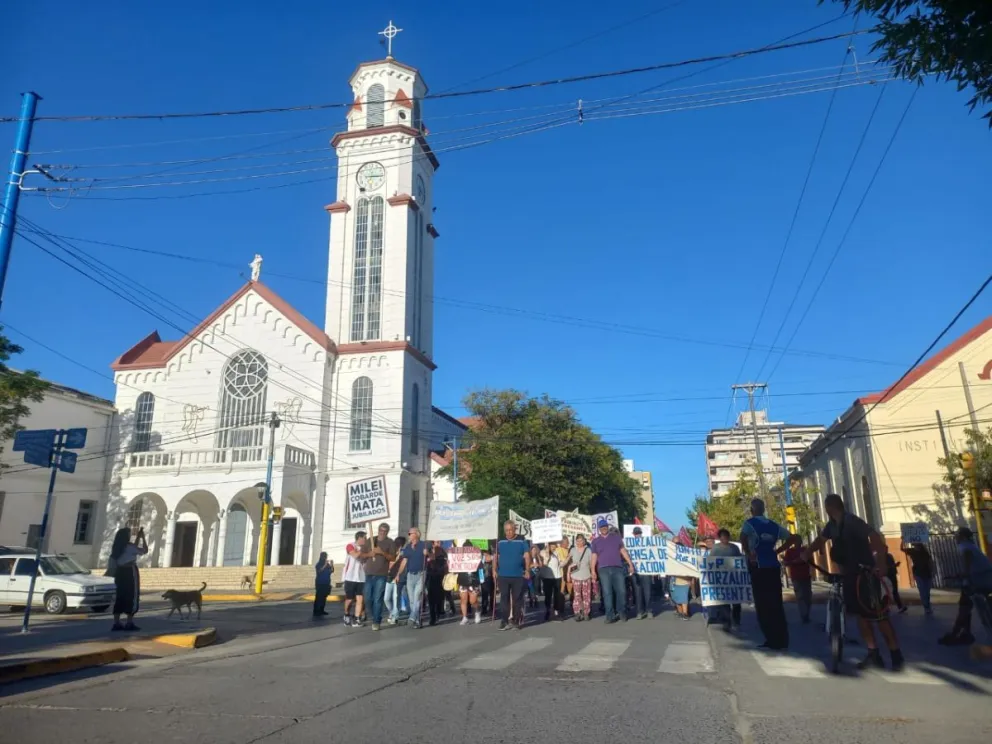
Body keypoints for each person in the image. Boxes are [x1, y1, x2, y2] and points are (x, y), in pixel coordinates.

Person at [803, 493, 904, 671]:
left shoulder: (852, 521)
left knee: (879, 616)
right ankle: (873, 653)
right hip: (849, 575)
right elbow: (821, 540)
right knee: (860, 616)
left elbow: (874, 537)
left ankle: (896, 655)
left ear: (830, 507)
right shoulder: (832, 525)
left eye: (826, 508)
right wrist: (807, 552)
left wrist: (881, 564)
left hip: (866, 575)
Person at [740, 499, 798, 650]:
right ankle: (782, 639)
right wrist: (777, 551)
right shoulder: (773, 526)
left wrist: (748, 553)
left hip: (758, 567)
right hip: (773, 567)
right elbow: (793, 538)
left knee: (763, 605)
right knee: (776, 604)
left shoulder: (750, 524)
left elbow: (742, 538)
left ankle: (771, 639)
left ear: (752, 510)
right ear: (764, 509)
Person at [938, 526, 992, 646]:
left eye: (956, 535)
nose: (955, 537)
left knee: (965, 607)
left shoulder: (965, 546)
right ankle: (965, 634)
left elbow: (967, 563)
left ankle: (955, 635)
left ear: (962, 536)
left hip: (979, 582)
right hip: (983, 580)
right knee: (966, 606)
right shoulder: (971, 545)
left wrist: (963, 576)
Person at [590, 517, 636, 624]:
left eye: (605, 526)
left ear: (607, 527)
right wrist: (593, 570)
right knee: (607, 593)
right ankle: (609, 616)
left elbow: (623, 551)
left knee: (622, 591)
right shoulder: (595, 541)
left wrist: (630, 563)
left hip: (617, 568)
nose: (604, 528)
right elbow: (594, 557)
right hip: (603, 570)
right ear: (599, 529)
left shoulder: (616, 538)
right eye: (601, 527)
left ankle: (622, 612)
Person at [109, 527, 148, 632]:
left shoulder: (117, 548)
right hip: (130, 572)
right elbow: (144, 550)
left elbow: (132, 548)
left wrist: (138, 537)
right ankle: (129, 622)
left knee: (120, 596)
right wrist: (143, 538)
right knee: (132, 595)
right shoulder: (129, 547)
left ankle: (116, 623)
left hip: (119, 573)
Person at [495, 520, 531, 630]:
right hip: (503, 575)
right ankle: (504, 620)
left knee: (517, 599)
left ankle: (515, 620)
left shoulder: (521, 540)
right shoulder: (500, 541)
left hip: (518, 575)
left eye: (510, 530)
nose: (509, 532)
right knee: (504, 599)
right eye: (506, 530)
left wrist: (528, 570)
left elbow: (527, 556)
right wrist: (494, 570)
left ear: (514, 529)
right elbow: (496, 556)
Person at [362, 523, 396, 631]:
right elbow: (362, 554)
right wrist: (369, 554)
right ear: (378, 530)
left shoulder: (390, 542)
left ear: (387, 532)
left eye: (385, 531)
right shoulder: (370, 540)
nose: (382, 532)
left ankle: (376, 621)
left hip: (381, 575)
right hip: (369, 574)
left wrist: (382, 552)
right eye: (381, 530)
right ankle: (374, 616)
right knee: (367, 598)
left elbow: (393, 558)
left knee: (377, 599)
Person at [395, 528, 428, 629]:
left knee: (417, 596)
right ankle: (417, 620)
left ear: (417, 534)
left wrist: (428, 554)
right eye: (408, 533)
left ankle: (413, 616)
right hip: (410, 575)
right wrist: (398, 574)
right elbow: (404, 562)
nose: (408, 535)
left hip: (421, 574)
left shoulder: (424, 545)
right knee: (412, 599)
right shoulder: (408, 547)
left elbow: (432, 556)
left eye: (410, 533)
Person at [710, 528, 743, 628]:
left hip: (734, 579)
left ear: (729, 537)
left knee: (736, 602)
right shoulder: (715, 548)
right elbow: (711, 561)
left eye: (726, 536)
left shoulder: (734, 548)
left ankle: (736, 620)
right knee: (725, 602)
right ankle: (726, 622)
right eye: (722, 537)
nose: (725, 538)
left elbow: (740, 560)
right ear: (719, 538)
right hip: (722, 579)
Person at [782, 536, 813, 624]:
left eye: (799, 540)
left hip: (806, 576)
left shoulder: (805, 550)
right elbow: (786, 563)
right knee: (800, 596)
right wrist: (791, 561)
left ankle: (806, 613)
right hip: (796, 576)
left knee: (808, 596)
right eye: (796, 541)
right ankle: (804, 615)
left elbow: (810, 560)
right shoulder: (790, 551)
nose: (798, 542)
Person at [342, 531, 367, 627]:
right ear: (359, 538)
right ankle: (346, 614)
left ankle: (357, 619)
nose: (365, 540)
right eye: (364, 538)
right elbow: (355, 555)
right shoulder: (350, 545)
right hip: (350, 576)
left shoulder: (365, 548)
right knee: (349, 599)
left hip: (361, 577)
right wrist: (363, 550)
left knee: (360, 599)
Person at [901, 540, 934, 614]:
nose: (916, 546)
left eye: (917, 545)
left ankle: (927, 605)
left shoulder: (925, 553)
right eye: (915, 545)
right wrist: (902, 540)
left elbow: (930, 561)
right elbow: (902, 549)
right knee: (923, 591)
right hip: (918, 574)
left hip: (927, 573)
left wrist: (932, 570)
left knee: (927, 592)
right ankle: (926, 607)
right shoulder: (912, 551)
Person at [629, 526, 654, 619]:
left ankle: (649, 610)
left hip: (646, 572)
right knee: (638, 593)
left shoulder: (647, 543)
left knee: (647, 592)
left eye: (638, 533)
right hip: (636, 572)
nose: (637, 535)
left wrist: (652, 538)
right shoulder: (630, 545)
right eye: (636, 534)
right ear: (633, 534)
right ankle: (640, 611)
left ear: (641, 533)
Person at [568, 533, 594, 621]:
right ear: (576, 542)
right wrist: (561, 564)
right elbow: (568, 560)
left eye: (581, 541)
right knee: (577, 595)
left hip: (586, 575)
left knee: (587, 595)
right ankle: (577, 612)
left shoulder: (588, 550)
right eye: (578, 541)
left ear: (584, 541)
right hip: (575, 575)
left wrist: (593, 572)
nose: (579, 542)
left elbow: (591, 563)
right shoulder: (573, 550)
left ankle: (586, 612)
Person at [457, 540, 483, 625]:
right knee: (463, 600)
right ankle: (465, 617)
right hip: (462, 580)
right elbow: (455, 567)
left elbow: (480, 569)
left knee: (473, 600)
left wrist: (482, 579)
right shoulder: (460, 558)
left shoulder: (476, 558)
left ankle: (477, 611)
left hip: (474, 581)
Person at [539, 542, 564, 621]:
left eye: (554, 546)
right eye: (551, 546)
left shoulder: (557, 553)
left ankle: (556, 612)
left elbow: (561, 564)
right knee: (548, 595)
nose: (553, 547)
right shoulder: (542, 552)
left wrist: (567, 559)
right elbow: (545, 562)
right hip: (548, 577)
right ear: (548, 545)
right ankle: (548, 610)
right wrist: (547, 552)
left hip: (557, 576)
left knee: (557, 595)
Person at [384, 536, 406, 625]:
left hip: (398, 578)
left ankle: (395, 617)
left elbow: (403, 566)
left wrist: (399, 575)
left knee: (396, 598)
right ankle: (392, 612)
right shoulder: (390, 553)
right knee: (386, 598)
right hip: (389, 578)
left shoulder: (403, 554)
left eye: (398, 544)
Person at [426, 540, 449, 626]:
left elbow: (445, 564)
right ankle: (432, 617)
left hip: (439, 576)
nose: (438, 544)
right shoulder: (427, 551)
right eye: (436, 542)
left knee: (439, 597)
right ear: (433, 543)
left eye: (440, 542)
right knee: (431, 598)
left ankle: (438, 612)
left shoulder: (442, 552)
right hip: (430, 576)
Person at [313, 552, 333, 618]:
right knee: (319, 597)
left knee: (324, 597)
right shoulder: (318, 564)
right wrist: (325, 565)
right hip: (320, 583)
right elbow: (319, 571)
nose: (325, 558)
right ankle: (316, 611)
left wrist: (331, 564)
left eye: (326, 556)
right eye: (324, 556)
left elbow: (331, 571)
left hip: (326, 582)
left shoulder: (327, 565)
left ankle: (322, 610)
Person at [480, 549, 495, 615]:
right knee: (484, 594)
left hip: (491, 577)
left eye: (485, 553)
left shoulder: (492, 557)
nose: (484, 555)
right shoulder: (481, 558)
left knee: (492, 594)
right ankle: (484, 608)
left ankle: (492, 607)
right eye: (483, 553)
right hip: (483, 578)